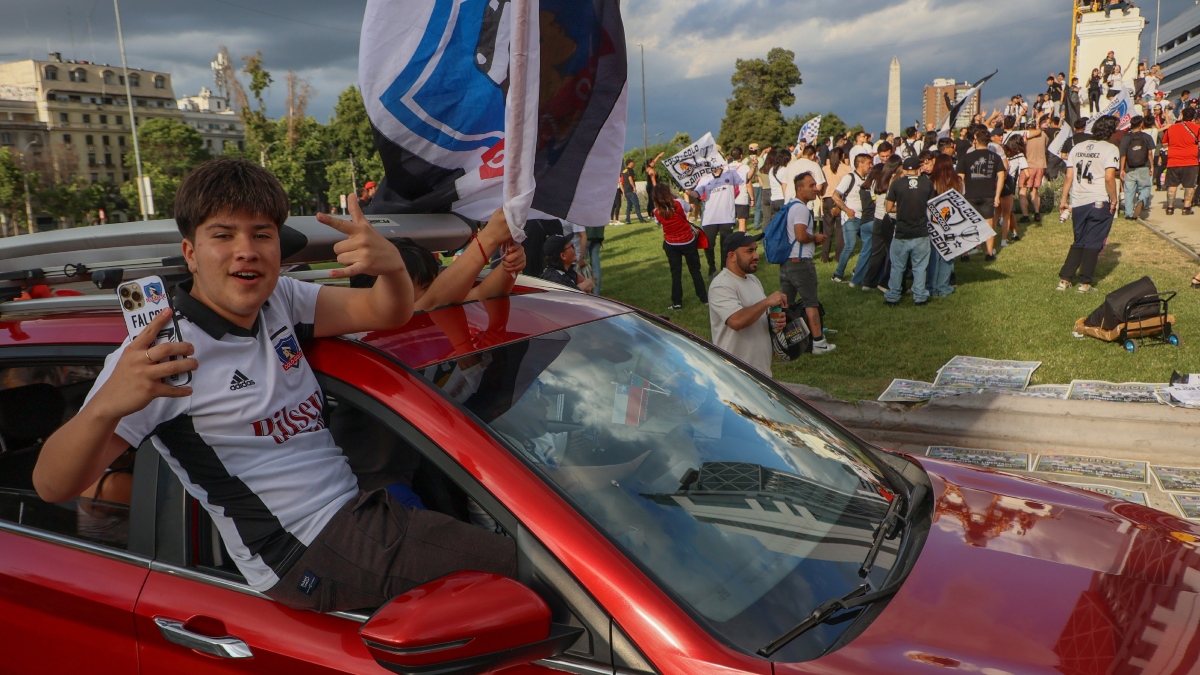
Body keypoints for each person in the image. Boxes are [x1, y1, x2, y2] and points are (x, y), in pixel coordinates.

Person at [32, 158, 518, 614]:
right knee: (529, 568)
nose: (246, 249)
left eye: (261, 234)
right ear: (191, 253)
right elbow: (52, 485)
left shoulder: (281, 299)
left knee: (522, 539)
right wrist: (105, 405)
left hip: (358, 507)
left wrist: (391, 267)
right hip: (302, 550)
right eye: (223, 234)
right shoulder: (157, 354)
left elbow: (386, 313)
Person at [707, 231, 788, 376]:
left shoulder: (753, 280)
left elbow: (757, 315)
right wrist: (767, 302)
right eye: (749, 251)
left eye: (756, 250)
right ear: (732, 256)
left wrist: (774, 321)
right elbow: (736, 321)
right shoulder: (721, 285)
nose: (756, 256)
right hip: (734, 375)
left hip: (761, 371)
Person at [1058, 116, 1120, 293]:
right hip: (1099, 199)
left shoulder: (1077, 147)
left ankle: (1065, 279)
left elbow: (1069, 177)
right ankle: (1085, 283)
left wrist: (1064, 200)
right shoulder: (1110, 149)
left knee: (1079, 240)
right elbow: (1109, 178)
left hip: (1078, 200)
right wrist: (1114, 199)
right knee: (1094, 241)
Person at [779, 172, 835, 355]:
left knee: (785, 304)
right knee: (811, 303)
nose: (815, 189)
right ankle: (819, 343)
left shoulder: (789, 206)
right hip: (801, 263)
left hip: (787, 262)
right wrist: (815, 238)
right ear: (800, 189)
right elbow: (801, 236)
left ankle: (780, 340)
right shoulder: (801, 209)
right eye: (811, 185)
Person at [883, 157, 936, 306]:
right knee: (920, 267)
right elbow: (932, 206)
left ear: (904, 170)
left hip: (902, 232)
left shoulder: (897, 184)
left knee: (897, 267)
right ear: (918, 169)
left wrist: (900, 208)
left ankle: (893, 297)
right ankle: (920, 297)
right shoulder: (927, 183)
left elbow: (888, 208)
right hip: (921, 232)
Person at [652, 184, 708, 310]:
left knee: (676, 273)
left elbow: (658, 223)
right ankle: (704, 298)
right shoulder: (679, 203)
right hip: (688, 241)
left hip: (671, 243)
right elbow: (690, 208)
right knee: (695, 271)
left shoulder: (656, 211)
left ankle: (677, 302)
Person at [957, 130, 1006, 261]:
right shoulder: (995, 157)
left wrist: (959, 195)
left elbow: (960, 178)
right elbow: (1001, 176)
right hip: (988, 194)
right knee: (989, 222)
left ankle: (965, 253)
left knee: (968, 223)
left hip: (970, 194)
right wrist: (997, 195)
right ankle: (989, 252)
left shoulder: (966, 157)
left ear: (975, 139)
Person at [690, 164, 745, 278]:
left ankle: (725, 269)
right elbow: (697, 193)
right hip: (709, 218)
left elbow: (747, 177)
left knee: (726, 245)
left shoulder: (730, 173)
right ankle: (712, 267)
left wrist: (754, 167)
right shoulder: (705, 178)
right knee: (708, 245)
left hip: (727, 217)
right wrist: (689, 192)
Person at [858, 156, 903, 291]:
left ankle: (868, 282)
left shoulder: (878, 180)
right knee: (891, 253)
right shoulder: (895, 181)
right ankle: (886, 282)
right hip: (889, 219)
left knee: (877, 253)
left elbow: (875, 200)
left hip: (877, 218)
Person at [830, 153, 875, 284]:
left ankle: (858, 270)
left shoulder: (868, 179)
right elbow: (835, 195)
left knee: (869, 245)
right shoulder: (849, 178)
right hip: (851, 217)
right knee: (850, 245)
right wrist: (847, 210)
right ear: (860, 164)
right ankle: (837, 274)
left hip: (864, 217)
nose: (871, 165)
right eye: (869, 163)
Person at [927, 155, 962, 298]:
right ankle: (944, 287)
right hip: (952, 222)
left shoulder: (931, 181)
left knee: (933, 256)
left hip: (934, 222)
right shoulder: (958, 181)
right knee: (948, 255)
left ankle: (931, 287)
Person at [1162, 107, 1200, 215]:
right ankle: (1186, 208)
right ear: (1193, 117)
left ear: (1182, 115)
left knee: (1172, 185)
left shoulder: (1172, 128)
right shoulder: (1197, 128)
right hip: (1190, 161)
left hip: (1173, 160)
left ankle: (1170, 208)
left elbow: (1164, 143)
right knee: (1189, 185)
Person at [1119, 115, 1155, 220]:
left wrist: (1122, 169)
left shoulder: (1126, 138)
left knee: (1129, 192)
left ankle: (1129, 214)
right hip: (1144, 167)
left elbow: (1123, 155)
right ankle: (1141, 200)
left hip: (1130, 168)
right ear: (1141, 124)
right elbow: (1150, 153)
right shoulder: (1146, 137)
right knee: (1145, 188)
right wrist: (1152, 166)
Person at [821, 147, 851, 263]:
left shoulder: (824, 169)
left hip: (827, 199)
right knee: (840, 229)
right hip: (840, 199)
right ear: (842, 156)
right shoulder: (846, 169)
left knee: (827, 229)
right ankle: (839, 255)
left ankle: (824, 256)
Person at [1002, 135, 1028, 245]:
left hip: (999, 179)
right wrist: (1024, 182)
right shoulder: (1019, 156)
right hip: (1010, 182)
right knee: (1009, 212)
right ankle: (1012, 233)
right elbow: (1027, 173)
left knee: (999, 211)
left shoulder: (1004, 152)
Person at [729, 147, 753, 232]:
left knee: (729, 222)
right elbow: (748, 183)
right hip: (742, 197)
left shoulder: (726, 167)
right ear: (741, 156)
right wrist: (752, 198)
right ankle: (741, 238)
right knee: (742, 221)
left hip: (729, 197)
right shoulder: (745, 167)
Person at [620, 159, 646, 223]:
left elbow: (620, 182)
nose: (634, 163)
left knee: (629, 206)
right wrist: (634, 187)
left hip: (626, 191)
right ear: (629, 163)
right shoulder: (630, 170)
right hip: (631, 190)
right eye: (633, 162)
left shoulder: (623, 171)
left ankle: (627, 220)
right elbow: (630, 178)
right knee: (636, 205)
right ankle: (641, 219)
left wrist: (623, 191)